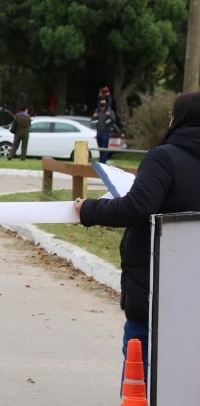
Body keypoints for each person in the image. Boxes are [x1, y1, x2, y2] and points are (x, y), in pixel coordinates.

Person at [74, 92, 200, 385]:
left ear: (179, 120)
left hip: (158, 288)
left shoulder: (164, 157)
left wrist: (88, 209)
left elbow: (136, 207)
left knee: (142, 372)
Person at [91, 99, 115, 164]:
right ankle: (101, 160)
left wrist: (107, 120)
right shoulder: (97, 111)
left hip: (106, 132)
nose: (102, 103)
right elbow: (93, 120)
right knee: (100, 147)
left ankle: (103, 162)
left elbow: (113, 119)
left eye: (103, 102)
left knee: (105, 147)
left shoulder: (109, 111)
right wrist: (94, 118)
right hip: (99, 132)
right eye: (101, 102)